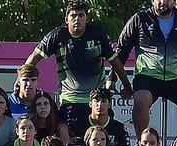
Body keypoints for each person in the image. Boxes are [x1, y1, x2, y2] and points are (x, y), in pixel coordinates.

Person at [28, 1, 129, 132]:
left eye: (81, 15)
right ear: (66, 19)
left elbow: (115, 62)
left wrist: (127, 85)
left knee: (101, 143)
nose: (77, 19)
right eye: (73, 16)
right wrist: (22, 82)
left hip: (96, 101)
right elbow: (32, 60)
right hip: (70, 101)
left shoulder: (98, 34)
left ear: (87, 18)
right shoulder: (57, 36)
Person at [117, 0, 177, 137]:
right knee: (141, 101)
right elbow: (122, 50)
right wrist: (111, 79)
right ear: (152, 0)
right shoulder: (140, 19)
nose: (163, 2)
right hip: (147, 76)